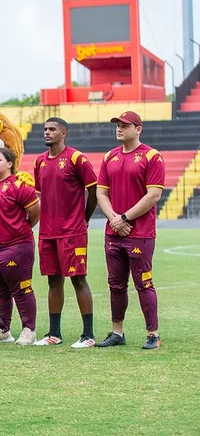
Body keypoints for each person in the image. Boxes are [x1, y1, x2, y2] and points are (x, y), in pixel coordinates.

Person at [95, 111, 165, 350]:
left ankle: (152, 334)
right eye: (117, 124)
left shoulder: (152, 156)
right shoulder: (109, 157)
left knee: (143, 283)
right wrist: (114, 218)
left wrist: (124, 217)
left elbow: (154, 195)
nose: (119, 128)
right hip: (113, 232)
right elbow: (101, 193)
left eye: (125, 125)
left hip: (140, 233)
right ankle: (117, 333)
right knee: (115, 285)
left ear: (138, 129)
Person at [32, 118, 98, 348]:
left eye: (52, 129)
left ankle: (88, 335)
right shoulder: (39, 161)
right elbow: (41, 196)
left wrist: (84, 219)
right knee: (53, 281)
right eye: (45, 129)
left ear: (64, 133)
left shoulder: (76, 158)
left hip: (72, 231)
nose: (47, 133)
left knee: (78, 279)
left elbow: (93, 191)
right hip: (47, 232)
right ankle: (54, 333)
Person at [0, 148, 40, 346]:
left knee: (21, 289)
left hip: (16, 246)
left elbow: (35, 211)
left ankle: (29, 330)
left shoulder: (19, 187)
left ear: (9, 164)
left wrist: (21, 229)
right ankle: (3, 330)